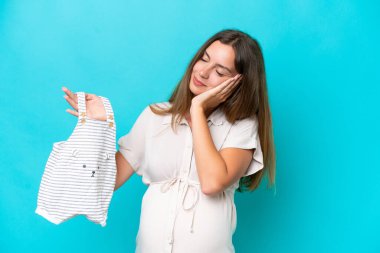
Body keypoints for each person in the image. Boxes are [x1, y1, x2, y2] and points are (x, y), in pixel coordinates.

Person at [62, 29, 276, 253]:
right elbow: (103, 184)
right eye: (204, 59)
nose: (203, 72)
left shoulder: (241, 126)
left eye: (219, 71)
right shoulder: (155, 117)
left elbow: (213, 182)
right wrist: (99, 126)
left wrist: (197, 110)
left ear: (238, 84)